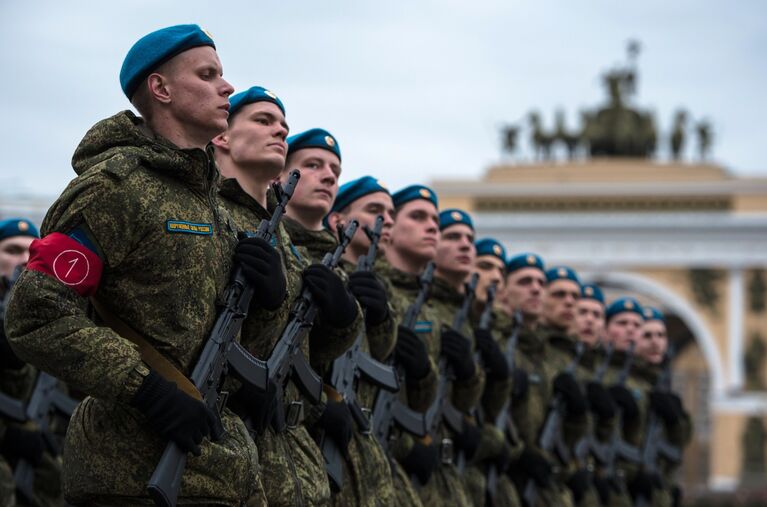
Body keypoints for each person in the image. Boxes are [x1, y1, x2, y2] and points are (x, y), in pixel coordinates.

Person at [4, 24, 267, 505]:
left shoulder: (213, 208)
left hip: (220, 471)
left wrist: (268, 300)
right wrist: (146, 389)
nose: (226, 87)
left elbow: (234, 345)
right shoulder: (113, 189)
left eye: (222, 75)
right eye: (207, 75)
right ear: (161, 89)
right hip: (129, 473)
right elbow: (34, 314)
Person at [214, 87, 353, 505]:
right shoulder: (209, 214)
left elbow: (310, 348)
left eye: (283, 127)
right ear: (222, 136)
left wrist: (344, 317)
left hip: (295, 463)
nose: (279, 131)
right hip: (227, 448)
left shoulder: (282, 239)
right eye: (263, 121)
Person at [325, 175, 400, 506]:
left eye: (391, 214)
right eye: (374, 209)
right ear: (337, 221)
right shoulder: (325, 270)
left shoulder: (386, 291)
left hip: (367, 449)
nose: (386, 221)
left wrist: (383, 317)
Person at [428, 209, 484, 506]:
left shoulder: (467, 317)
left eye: (469, 239)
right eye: (453, 236)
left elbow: (470, 404)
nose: (465, 245)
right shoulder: (423, 305)